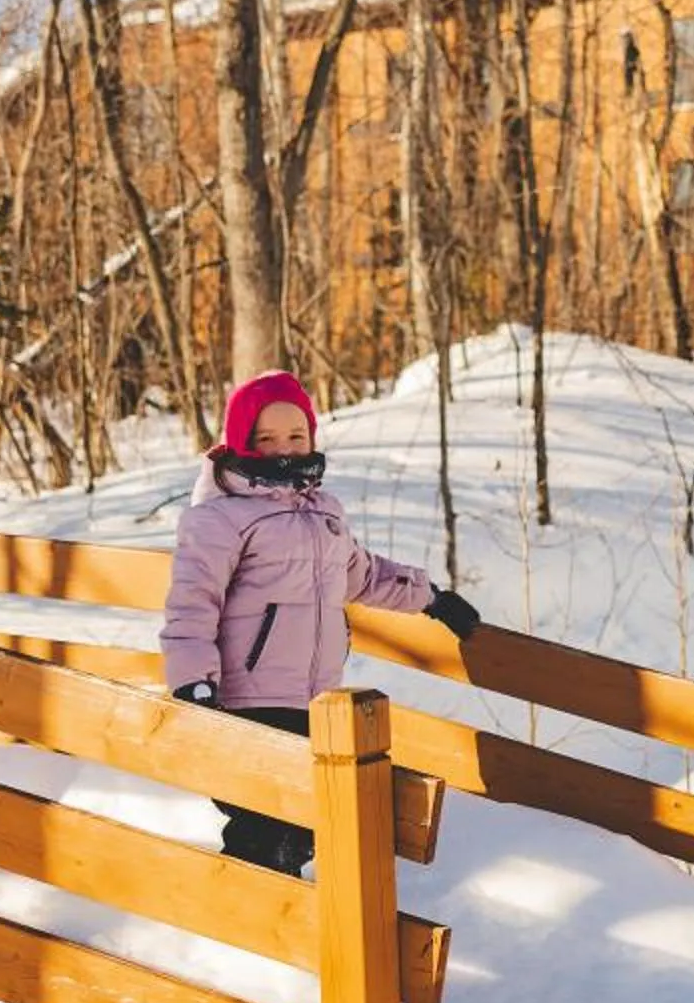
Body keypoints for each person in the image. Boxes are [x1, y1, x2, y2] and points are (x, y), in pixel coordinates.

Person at [161, 371, 479, 873]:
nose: (284, 449)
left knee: (307, 822)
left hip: (316, 700)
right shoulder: (220, 519)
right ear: (242, 443)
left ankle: (279, 905)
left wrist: (432, 598)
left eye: (296, 435)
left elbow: (363, 574)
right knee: (262, 824)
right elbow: (191, 604)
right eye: (266, 438)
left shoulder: (323, 515)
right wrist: (193, 683)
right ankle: (243, 908)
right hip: (248, 699)